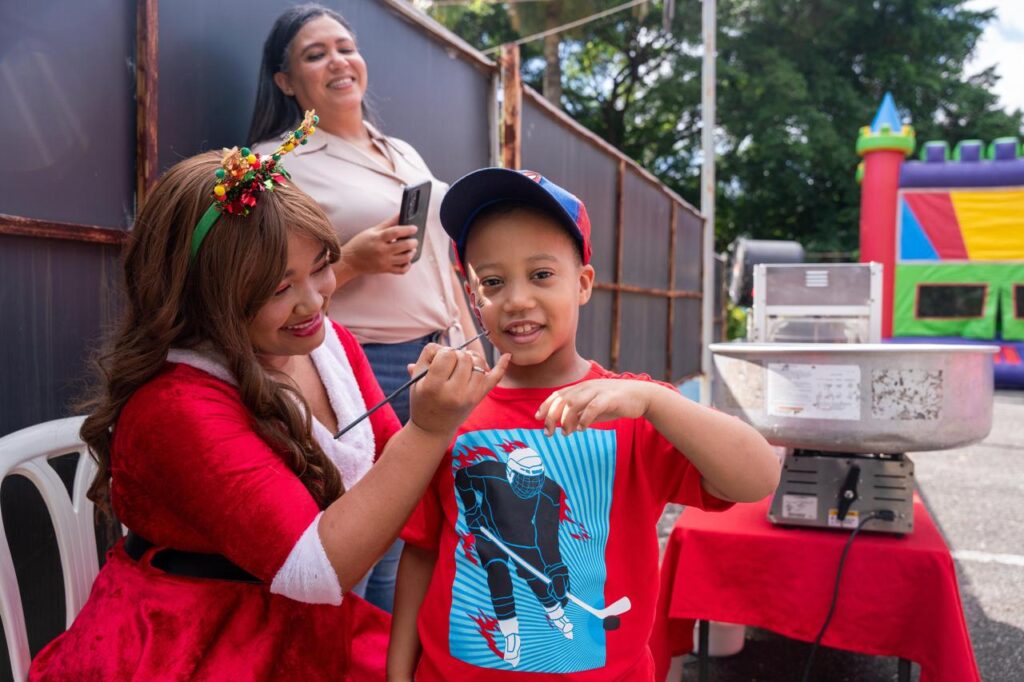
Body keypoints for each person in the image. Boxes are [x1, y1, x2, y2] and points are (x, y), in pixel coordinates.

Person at [28, 127, 508, 680]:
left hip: (301, 625)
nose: (314, 301)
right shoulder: (176, 407)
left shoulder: (327, 344)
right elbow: (318, 570)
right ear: (205, 296)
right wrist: (427, 431)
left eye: (321, 266)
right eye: (279, 289)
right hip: (195, 643)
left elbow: (388, 463)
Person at [387, 168, 781, 680]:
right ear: (474, 299)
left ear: (583, 284)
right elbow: (421, 553)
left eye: (541, 274)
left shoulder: (630, 410)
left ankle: (557, 618)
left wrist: (656, 401)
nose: (518, 299)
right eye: (493, 282)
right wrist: (398, 673)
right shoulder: (450, 410)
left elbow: (758, 478)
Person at [248, 4, 484, 612]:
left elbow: (440, 259)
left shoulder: (400, 150)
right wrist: (350, 259)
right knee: (355, 536)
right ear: (285, 81)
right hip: (361, 365)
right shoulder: (275, 163)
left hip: (437, 355)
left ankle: (382, 653)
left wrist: (471, 343)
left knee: (413, 535)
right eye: (315, 54)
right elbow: (261, 287)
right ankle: (340, 651)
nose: (338, 62)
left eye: (345, 47)